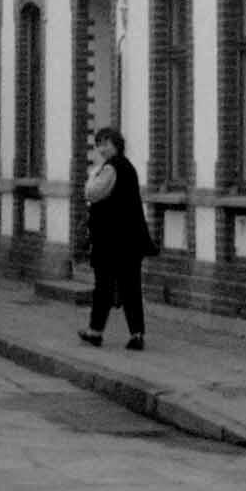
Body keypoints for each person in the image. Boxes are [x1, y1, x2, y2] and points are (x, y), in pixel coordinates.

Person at [80, 126, 152, 350]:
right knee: (131, 288)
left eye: (106, 143)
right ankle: (137, 335)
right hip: (130, 239)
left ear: (116, 144)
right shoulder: (128, 167)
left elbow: (92, 193)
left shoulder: (111, 168)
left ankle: (95, 332)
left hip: (110, 239)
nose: (102, 148)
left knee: (103, 286)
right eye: (99, 144)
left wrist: (92, 177)